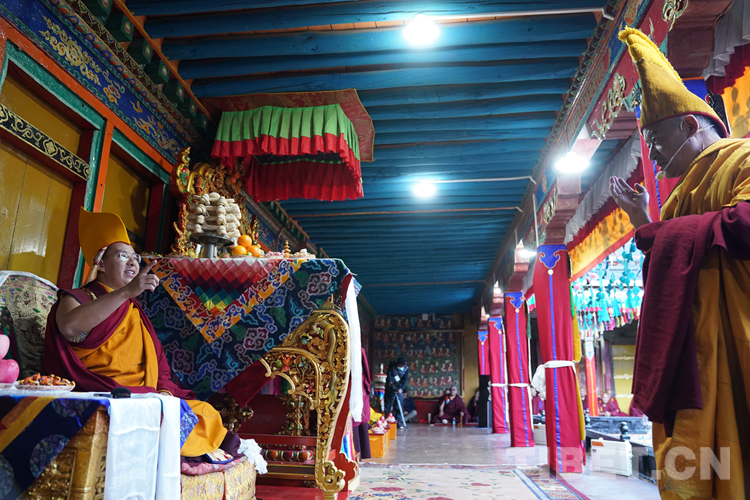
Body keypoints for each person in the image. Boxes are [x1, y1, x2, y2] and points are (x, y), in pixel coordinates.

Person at [611, 28, 750, 497]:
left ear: (690, 126)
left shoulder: (743, 159)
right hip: (692, 361)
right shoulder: (675, 202)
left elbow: (745, 226)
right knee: (697, 471)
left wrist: (658, 232)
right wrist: (645, 223)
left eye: (655, 139)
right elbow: (667, 275)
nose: (650, 153)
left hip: (739, 342)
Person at [43, 208, 237, 461]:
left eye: (135, 258)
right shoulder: (78, 297)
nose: (133, 263)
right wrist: (125, 293)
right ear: (101, 263)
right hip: (107, 392)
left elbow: (158, 363)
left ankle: (177, 445)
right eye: (123, 256)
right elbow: (69, 327)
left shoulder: (132, 309)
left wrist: (164, 393)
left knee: (206, 414)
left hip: (145, 394)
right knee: (160, 418)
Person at [384, 357, 409, 429]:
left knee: (399, 405)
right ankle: (386, 421)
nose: (401, 367)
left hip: (399, 388)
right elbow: (389, 374)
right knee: (388, 405)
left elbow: (406, 380)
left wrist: (401, 388)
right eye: (400, 366)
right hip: (390, 388)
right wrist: (390, 381)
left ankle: (398, 422)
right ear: (397, 364)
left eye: (403, 366)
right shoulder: (392, 365)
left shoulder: (406, 369)